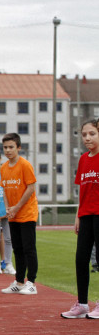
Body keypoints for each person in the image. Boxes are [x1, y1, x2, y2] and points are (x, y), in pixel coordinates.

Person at [62, 120, 99, 318]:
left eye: (92, 134)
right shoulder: (83, 159)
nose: (87, 138)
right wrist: (78, 215)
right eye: (84, 134)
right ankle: (83, 304)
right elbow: (82, 190)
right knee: (81, 259)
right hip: (85, 215)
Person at [0, 132, 39, 295]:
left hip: (27, 213)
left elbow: (31, 188)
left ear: (18, 147)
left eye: (11, 147)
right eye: (5, 147)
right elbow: (4, 189)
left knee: (29, 248)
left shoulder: (25, 165)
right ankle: (19, 281)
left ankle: (31, 282)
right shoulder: (3, 167)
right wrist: (8, 208)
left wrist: (17, 207)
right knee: (17, 249)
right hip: (13, 215)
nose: (8, 150)